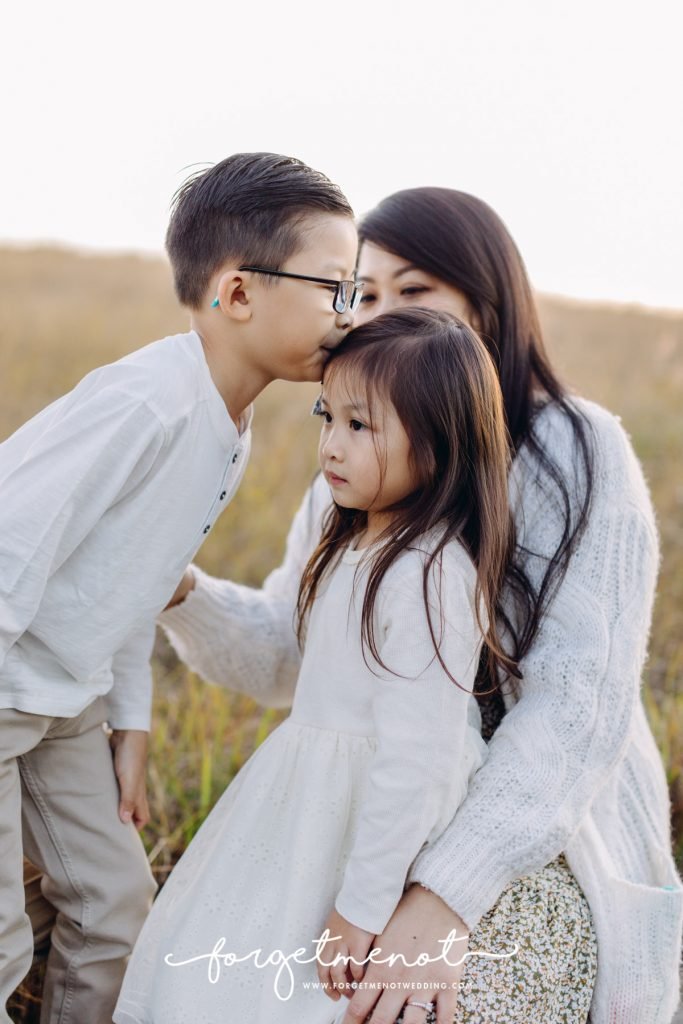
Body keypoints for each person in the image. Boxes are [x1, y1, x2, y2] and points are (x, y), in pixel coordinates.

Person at [157, 188, 683, 1024]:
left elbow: (574, 707)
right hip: (378, 814)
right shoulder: (361, 461)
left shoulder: (573, 448)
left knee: (412, 1006)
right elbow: (291, 656)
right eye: (361, 295)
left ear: (485, 300)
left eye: (414, 291)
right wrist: (175, 588)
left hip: (537, 832)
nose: (379, 315)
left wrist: (443, 895)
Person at [0, 151, 358, 1024]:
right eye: (334, 288)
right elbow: (13, 540)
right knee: (5, 935)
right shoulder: (145, 404)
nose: (349, 314)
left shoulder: (227, 430)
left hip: (66, 699)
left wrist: (129, 714)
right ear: (237, 293)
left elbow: (133, 579)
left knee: (115, 907)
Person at [115, 306, 539, 1023]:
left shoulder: (429, 573)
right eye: (327, 417)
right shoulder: (351, 542)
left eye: (360, 425)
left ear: (437, 447)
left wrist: (363, 904)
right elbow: (291, 660)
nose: (331, 448)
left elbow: (419, 757)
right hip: (305, 798)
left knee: (312, 987)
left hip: (367, 817)